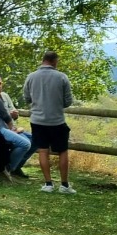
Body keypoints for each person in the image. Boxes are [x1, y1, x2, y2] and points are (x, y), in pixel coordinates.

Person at [23, 50, 76, 194]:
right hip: (56, 120)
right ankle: (64, 185)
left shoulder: (31, 77)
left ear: (43, 60)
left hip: (37, 120)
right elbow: (68, 101)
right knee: (63, 151)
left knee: (43, 150)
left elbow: (27, 98)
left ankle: (48, 184)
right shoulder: (62, 77)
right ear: (55, 61)